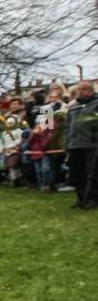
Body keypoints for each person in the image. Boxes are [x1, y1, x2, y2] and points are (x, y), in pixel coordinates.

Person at [64, 79, 97, 209]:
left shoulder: (96, 104)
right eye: (80, 89)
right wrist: (67, 141)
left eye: (85, 89)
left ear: (91, 90)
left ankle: (93, 198)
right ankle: (81, 197)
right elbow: (67, 125)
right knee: (77, 173)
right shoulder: (73, 106)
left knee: (92, 173)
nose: (82, 92)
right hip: (74, 144)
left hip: (91, 144)